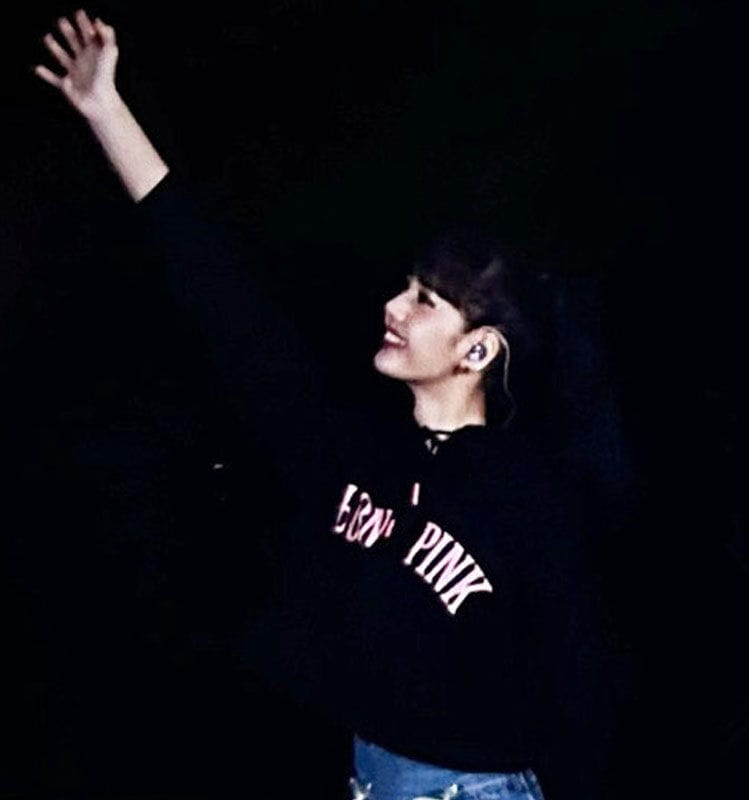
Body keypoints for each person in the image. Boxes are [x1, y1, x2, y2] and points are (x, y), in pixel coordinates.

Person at [34, 10, 629, 800]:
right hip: (367, 777)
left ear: (478, 350)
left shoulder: (528, 495)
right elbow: (223, 300)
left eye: (425, 301)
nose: (393, 306)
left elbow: (580, 683)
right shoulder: (351, 447)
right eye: (404, 287)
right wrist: (108, 111)